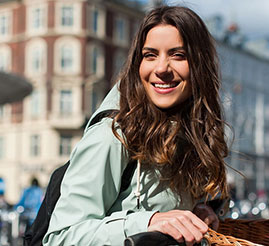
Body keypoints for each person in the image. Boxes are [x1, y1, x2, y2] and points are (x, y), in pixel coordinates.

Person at [43, 5, 229, 246]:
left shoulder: (187, 131)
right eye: (150, 55)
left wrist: (196, 212)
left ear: (200, 66)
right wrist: (147, 222)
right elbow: (61, 237)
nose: (161, 68)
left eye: (178, 55)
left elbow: (165, 212)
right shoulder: (112, 134)